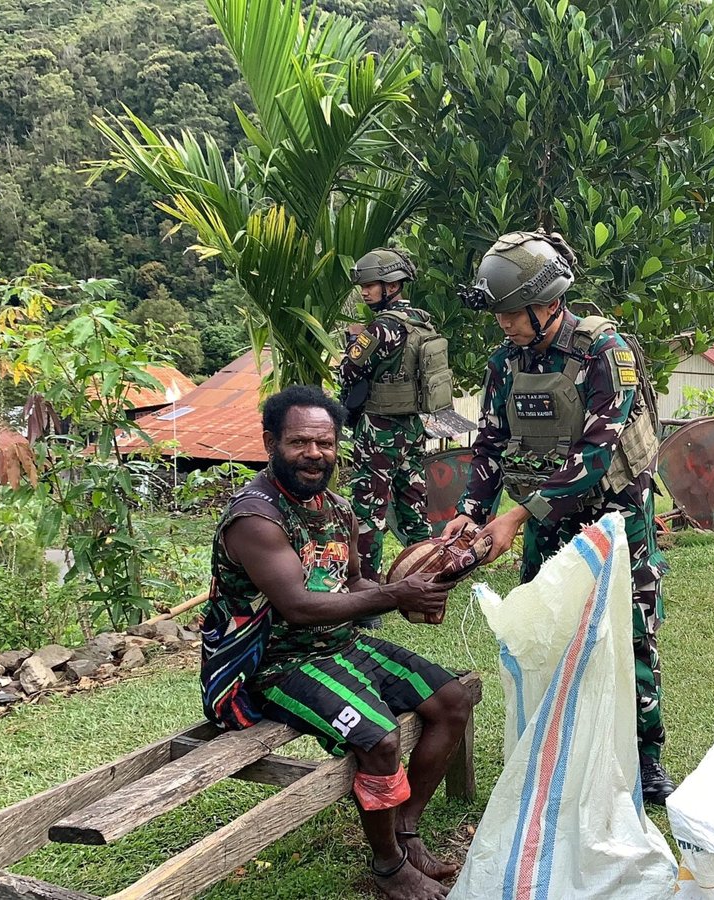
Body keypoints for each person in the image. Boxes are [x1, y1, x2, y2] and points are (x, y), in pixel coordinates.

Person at [198, 385, 471, 900]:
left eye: (324, 443)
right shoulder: (256, 518)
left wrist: (414, 597)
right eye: (299, 442)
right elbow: (298, 607)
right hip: (270, 665)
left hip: (337, 643)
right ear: (269, 443)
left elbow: (353, 584)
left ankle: (406, 830)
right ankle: (388, 866)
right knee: (380, 738)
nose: (314, 454)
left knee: (453, 700)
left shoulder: (337, 507)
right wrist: (394, 595)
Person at [440, 230, 675, 804]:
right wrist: (471, 514)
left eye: (513, 315)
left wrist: (517, 515)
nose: (505, 325)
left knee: (630, 634)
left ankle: (645, 764)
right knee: (545, 632)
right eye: (499, 315)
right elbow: (491, 445)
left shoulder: (604, 353)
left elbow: (596, 457)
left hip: (614, 520)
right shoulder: (505, 363)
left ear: (549, 304)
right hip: (543, 517)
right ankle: (550, 749)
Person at [337, 248, 439, 585]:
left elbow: (347, 371)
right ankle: (429, 575)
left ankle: (367, 588)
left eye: (370, 285)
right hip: (412, 427)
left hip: (380, 429)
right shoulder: (423, 320)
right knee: (414, 507)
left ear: (392, 285)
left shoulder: (380, 329)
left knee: (368, 511)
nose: (364, 292)